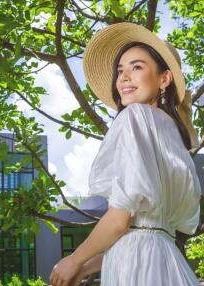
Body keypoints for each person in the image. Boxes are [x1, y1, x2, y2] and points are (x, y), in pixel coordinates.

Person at [49, 22, 202, 286]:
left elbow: (121, 220)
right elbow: (143, 231)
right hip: (165, 258)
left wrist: (73, 260)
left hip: (136, 264)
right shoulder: (173, 136)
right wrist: (86, 268)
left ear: (164, 78)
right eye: (120, 70)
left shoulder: (135, 116)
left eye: (137, 67)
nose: (124, 77)